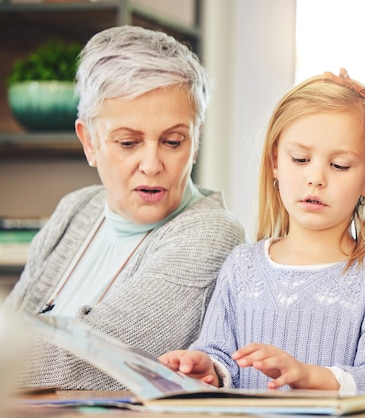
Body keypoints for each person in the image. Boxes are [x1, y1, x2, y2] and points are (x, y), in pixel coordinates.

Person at [2, 25, 246, 390]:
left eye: (173, 141)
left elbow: (99, 356)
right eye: (129, 142)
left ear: (195, 141)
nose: (151, 164)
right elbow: (13, 327)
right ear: (89, 142)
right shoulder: (77, 208)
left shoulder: (211, 233)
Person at [159, 69, 365, 397]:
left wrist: (311, 377)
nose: (316, 178)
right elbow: (219, 353)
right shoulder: (242, 266)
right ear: (275, 163)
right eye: (300, 159)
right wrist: (205, 368)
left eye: (339, 165)